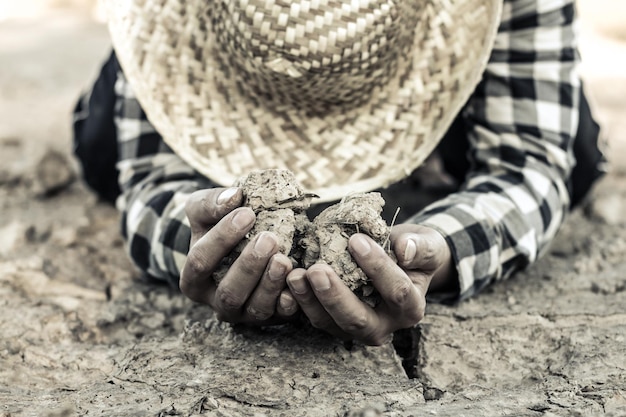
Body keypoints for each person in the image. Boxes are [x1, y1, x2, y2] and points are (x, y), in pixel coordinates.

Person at [74, 0, 605, 345]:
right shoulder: (165, 26)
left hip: (447, 69)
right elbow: (151, 181)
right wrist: (204, 247)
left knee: (576, 158)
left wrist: (438, 251)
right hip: (217, 52)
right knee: (102, 149)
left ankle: (436, 138)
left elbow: (529, 161)